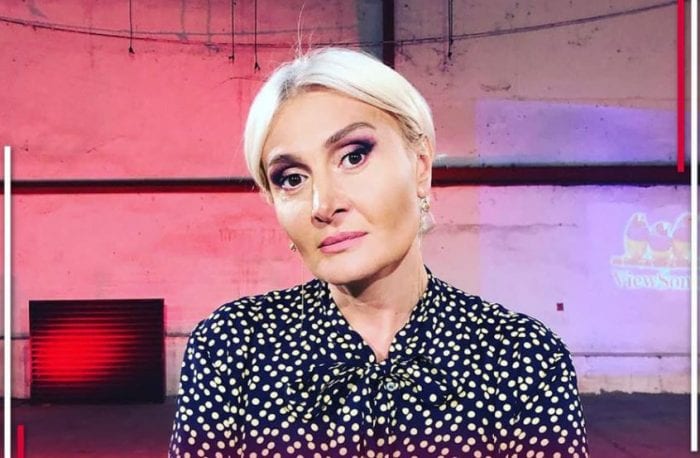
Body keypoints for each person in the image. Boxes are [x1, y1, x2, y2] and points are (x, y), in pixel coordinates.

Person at [168, 47, 589, 458]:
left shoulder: (520, 356)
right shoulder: (233, 347)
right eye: (292, 178)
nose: (323, 204)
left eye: (354, 157)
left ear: (420, 165)